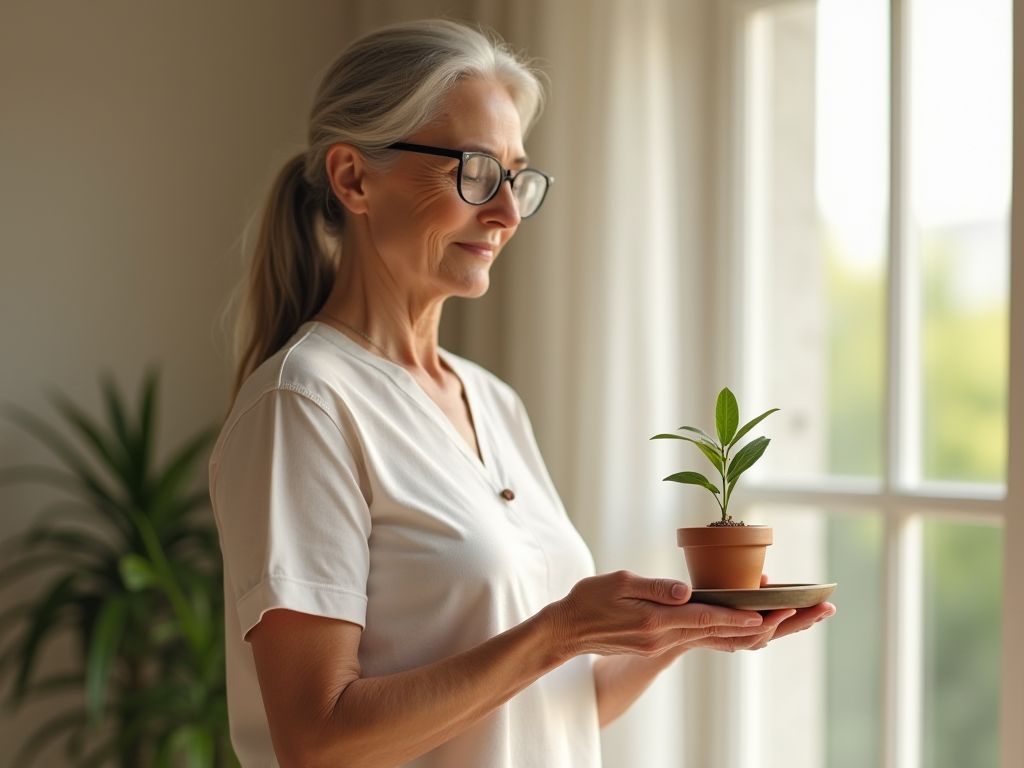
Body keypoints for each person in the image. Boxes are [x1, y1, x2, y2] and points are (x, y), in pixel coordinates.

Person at [209, 18, 835, 768]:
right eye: (475, 171)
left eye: (516, 178)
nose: (506, 214)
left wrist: (680, 628)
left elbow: (554, 710)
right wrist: (560, 631)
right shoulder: (306, 404)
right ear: (353, 179)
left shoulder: (492, 401)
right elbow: (317, 742)